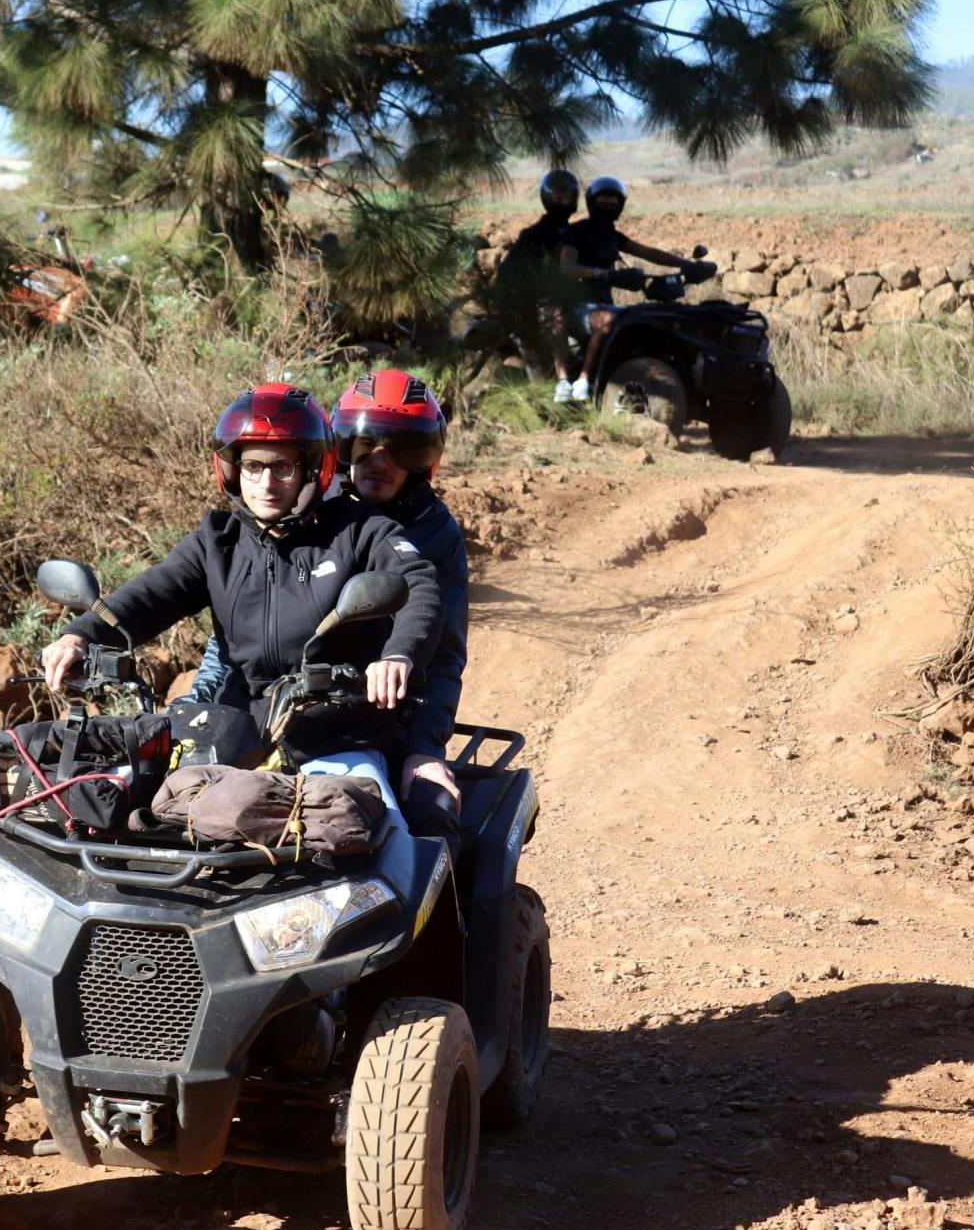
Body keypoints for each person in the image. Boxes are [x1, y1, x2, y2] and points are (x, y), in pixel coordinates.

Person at [41, 382, 441, 758]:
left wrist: (399, 655)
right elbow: (152, 595)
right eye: (253, 466)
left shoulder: (360, 530)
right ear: (233, 470)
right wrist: (81, 635)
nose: (266, 483)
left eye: (283, 467)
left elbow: (418, 582)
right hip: (234, 732)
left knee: (366, 822)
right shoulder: (217, 541)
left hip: (340, 739)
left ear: (311, 468)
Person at [182, 371, 469, 847]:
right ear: (337, 448)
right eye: (363, 444)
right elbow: (236, 624)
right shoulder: (302, 502)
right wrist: (196, 709)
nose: (380, 460)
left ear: (426, 461)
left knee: (418, 825)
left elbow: (444, 652)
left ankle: (446, 921)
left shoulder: (433, 532)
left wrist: (425, 749)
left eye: (404, 448)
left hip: (368, 715)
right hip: (267, 706)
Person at [560, 176, 715, 385]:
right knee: (611, 321)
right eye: (602, 203)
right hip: (576, 304)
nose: (608, 208)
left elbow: (647, 252)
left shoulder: (612, 235)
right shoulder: (575, 232)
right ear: (591, 203)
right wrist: (600, 273)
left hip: (602, 302)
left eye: (613, 204)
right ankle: (583, 382)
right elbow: (567, 267)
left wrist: (685, 264)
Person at [493, 169, 587, 401]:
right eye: (558, 197)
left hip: (550, 299)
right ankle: (548, 398)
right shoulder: (536, 235)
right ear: (548, 199)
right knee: (545, 341)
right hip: (528, 305)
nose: (563, 202)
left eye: (567, 197)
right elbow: (522, 275)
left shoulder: (571, 232)